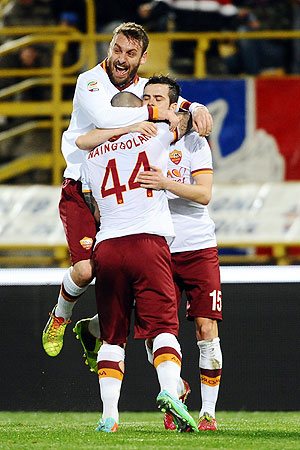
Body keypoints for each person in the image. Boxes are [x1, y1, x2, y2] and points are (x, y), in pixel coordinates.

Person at [42, 22, 213, 358]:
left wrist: (195, 108)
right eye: (117, 50)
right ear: (109, 47)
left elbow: (174, 101)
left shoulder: (146, 88)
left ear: (142, 57)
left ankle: (94, 331)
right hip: (82, 187)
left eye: (130, 53)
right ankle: (59, 316)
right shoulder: (89, 81)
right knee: (85, 270)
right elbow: (106, 116)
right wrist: (155, 113)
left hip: (122, 194)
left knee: (125, 273)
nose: (121, 59)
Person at [74, 76, 222, 432]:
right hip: (150, 244)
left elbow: (82, 144)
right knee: (163, 327)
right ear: (141, 110)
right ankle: (171, 391)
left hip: (109, 245)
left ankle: (110, 416)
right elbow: (178, 121)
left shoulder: (91, 156)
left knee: (115, 334)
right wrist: (194, 107)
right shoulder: (156, 137)